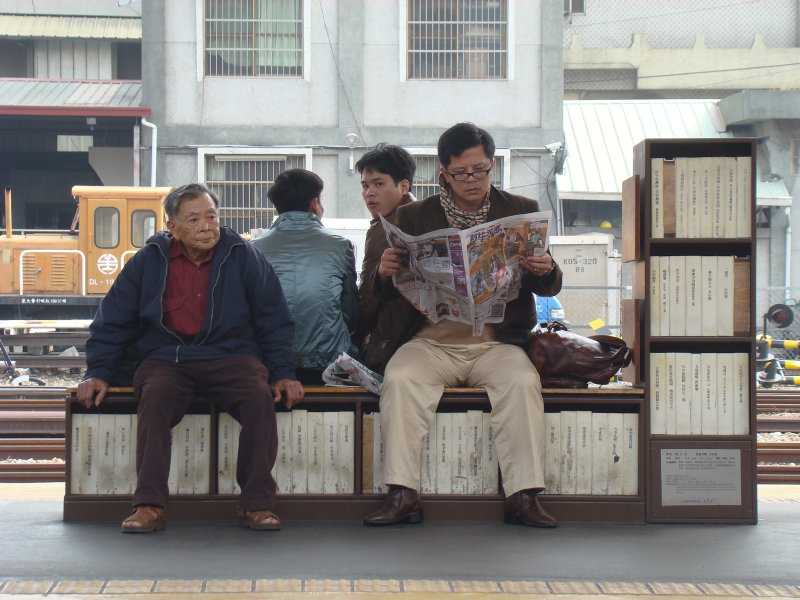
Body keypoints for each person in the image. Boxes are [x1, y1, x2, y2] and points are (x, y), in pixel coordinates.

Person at [363, 123, 563, 528]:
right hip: (431, 342)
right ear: (443, 174)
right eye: (461, 173)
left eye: (481, 170)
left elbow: (548, 285)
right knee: (400, 379)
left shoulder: (519, 210)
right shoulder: (412, 216)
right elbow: (370, 295)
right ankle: (402, 494)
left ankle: (523, 496)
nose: (472, 180)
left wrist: (546, 268)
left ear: (492, 166)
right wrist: (384, 274)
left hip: (497, 343)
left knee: (522, 384)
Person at [77, 182, 304, 534]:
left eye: (211, 217)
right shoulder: (149, 260)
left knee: (259, 398)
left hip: (231, 356)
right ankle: (149, 505)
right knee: (154, 398)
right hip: (168, 357)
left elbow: (274, 319)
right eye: (194, 219)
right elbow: (113, 319)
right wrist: (98, 372)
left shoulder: (243, 255)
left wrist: (283, 373)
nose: (206, 226)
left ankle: (256, 504)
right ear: (172, 227)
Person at [252, 169, 359, 384]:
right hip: (330, 363)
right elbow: (351, 310)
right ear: (314, 203)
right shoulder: (339, 246)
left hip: (271, 363)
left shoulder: (253, 249)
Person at [352, 143, 418, 375]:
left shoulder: (389, 228)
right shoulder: (410, 216)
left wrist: (355, 337)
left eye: (379, 184)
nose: (369, 193)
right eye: (365, 186)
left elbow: (368, 301)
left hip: (394, 344)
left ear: (403, 186)